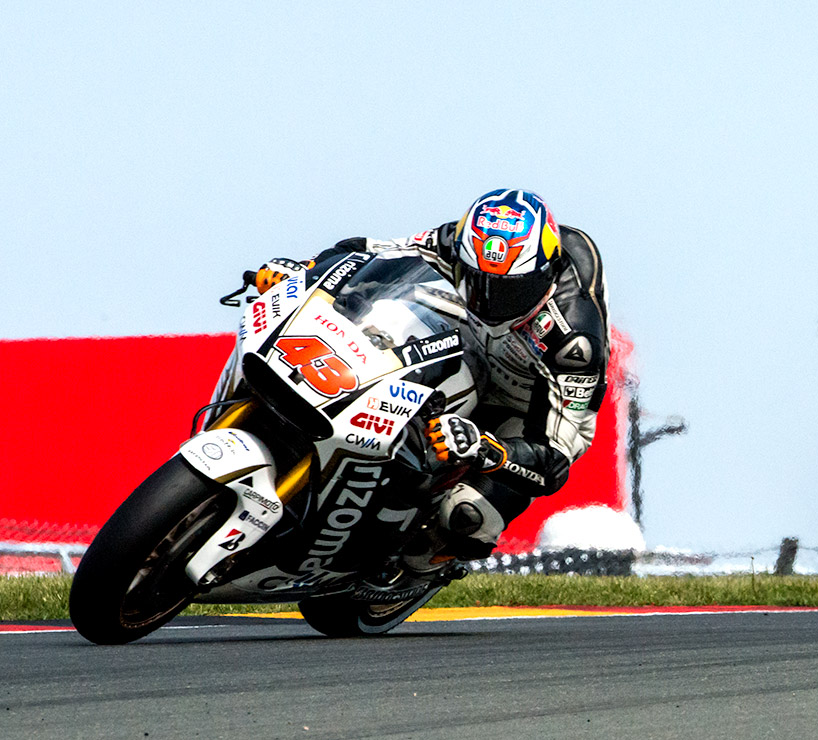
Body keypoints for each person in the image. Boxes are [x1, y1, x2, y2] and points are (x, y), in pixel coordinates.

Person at [247, 189, 609, 567]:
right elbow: (372, 254)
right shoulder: (456, 241)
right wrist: (306, 271)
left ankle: (403, 568)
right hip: (470, 347)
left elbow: (553, 463)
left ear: (544, 275)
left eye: (511, 290)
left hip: (528, 405)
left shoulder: (574, 341)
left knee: (467, 519)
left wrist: (486, 449)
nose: (491, 299)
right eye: (478, 281)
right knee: (385, 335)